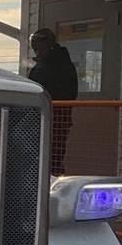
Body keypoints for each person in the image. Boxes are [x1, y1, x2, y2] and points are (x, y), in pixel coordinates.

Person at [28, 28, 78, 175]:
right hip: (59, 120)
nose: (37, 52)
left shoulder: (44, 68)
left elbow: (35, 92)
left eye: (38, 48)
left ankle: (43, 191)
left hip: (45, 120)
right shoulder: (66, 64)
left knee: (42, 161)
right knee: (55, 159)